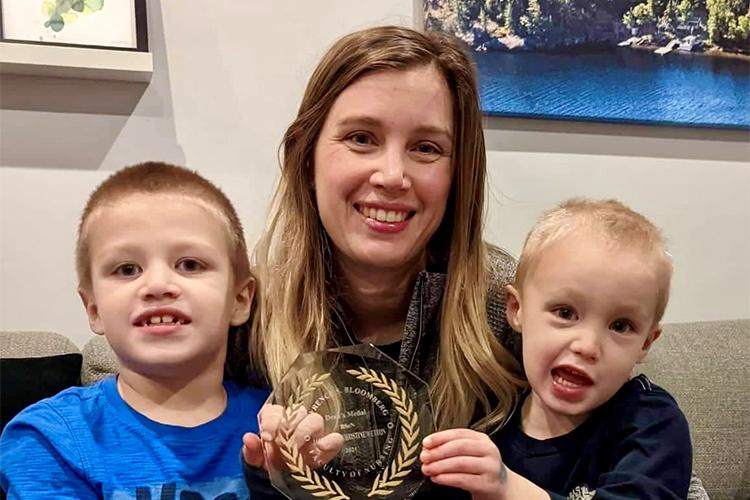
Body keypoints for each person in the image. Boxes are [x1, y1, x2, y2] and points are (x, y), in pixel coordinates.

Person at [241, 25, 526, 498]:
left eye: (426, 148)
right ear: (306, 156)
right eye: (361, 138)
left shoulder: (512, 313)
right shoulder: (244, 317)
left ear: (459, 175)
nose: (393, 175)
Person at [0, 162, 268, 499]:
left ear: (240, 299)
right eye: (127, 269)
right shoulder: (51, 439)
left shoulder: (279, 424)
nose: (157, 285)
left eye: (189, 264)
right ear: (94, 309)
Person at [421, 198, 692, 499]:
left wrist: (508, 488)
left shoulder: (651, 425)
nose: (587, 346)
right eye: (565, 313)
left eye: (620, 326)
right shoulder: (488, 420)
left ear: (646, 342)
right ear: (516, 309)